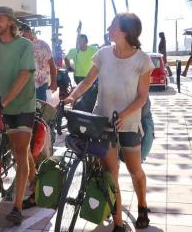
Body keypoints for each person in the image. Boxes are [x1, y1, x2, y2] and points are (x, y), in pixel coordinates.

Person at [64, 13, 153, 231]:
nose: (109, 28)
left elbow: (142, 97)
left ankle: (142, 204)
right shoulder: (103, 54)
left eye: (113, 26)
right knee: (110, 174)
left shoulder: (142, 60)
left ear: (126, 32)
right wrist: (72, 96)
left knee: (135, 171)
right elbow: (87, 81)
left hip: (129, 124)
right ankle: (118, 222)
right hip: (102, 123)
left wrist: (123, 115)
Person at [0, 6, 36, 225]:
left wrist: (4, 101)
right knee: (18, 150)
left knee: (21, 151)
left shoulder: (25, 44)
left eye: (0, 18)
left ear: (11, 22)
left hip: (24, 104)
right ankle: (36, 183)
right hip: (6, 106)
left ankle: (17, 207)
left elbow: (25, 74)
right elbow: (0, 75)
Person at [20, 24, 57, 101]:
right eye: (20, 36)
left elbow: (52, 65)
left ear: (30, 32)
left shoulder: (43, 45)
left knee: (41, 109)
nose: (22, 38)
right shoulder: (19, 47)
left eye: (23, 35)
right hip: (25, 85)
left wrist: (54, 82)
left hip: (42, 85)